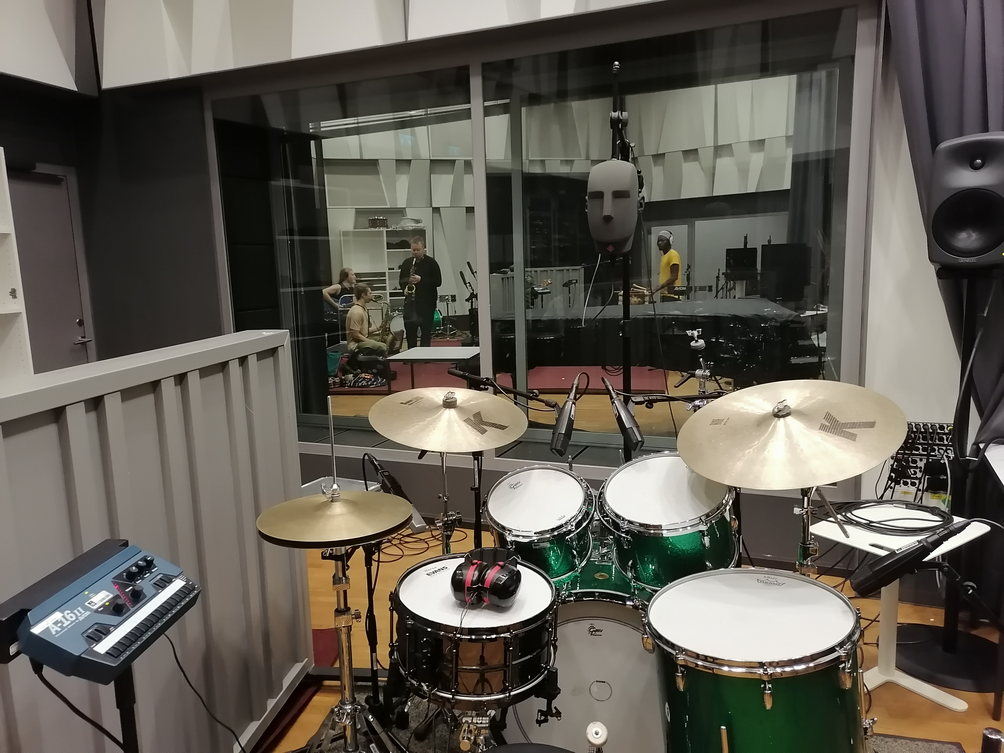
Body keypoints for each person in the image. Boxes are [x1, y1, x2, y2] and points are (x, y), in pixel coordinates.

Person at [398, 237, 442, 348]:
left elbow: (438, 282)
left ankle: (425, 354)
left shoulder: (431, 263)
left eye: (418, 250)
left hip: (427, 303)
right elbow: (402, 280)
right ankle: (411, 353)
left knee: (426, 332)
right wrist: (404, 288)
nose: (415, 252)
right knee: (410, 332)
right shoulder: (407, 263)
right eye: (413, 250)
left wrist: (421, 280)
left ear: (423, 248)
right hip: (411, 303)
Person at [345, 284, 398, 354]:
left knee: (389, 340)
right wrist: (370, 341)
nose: (371, 296)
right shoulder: (357, 312)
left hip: (361, 340)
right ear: (363, 295)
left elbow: (363, 331)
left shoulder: (363, 308)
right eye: (370, 293)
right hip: (355, 345)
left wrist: (378, 328)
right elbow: (355, 335)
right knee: (382, 346)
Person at [652, 230, 681, 301]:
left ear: (670, 241)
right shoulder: (664, 256)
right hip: (665, 295)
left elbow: (674, 277)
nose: (659, 243)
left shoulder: (673, 254)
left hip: (672, 295)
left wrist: (657, 288)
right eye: (658, 241)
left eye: (662, 241)